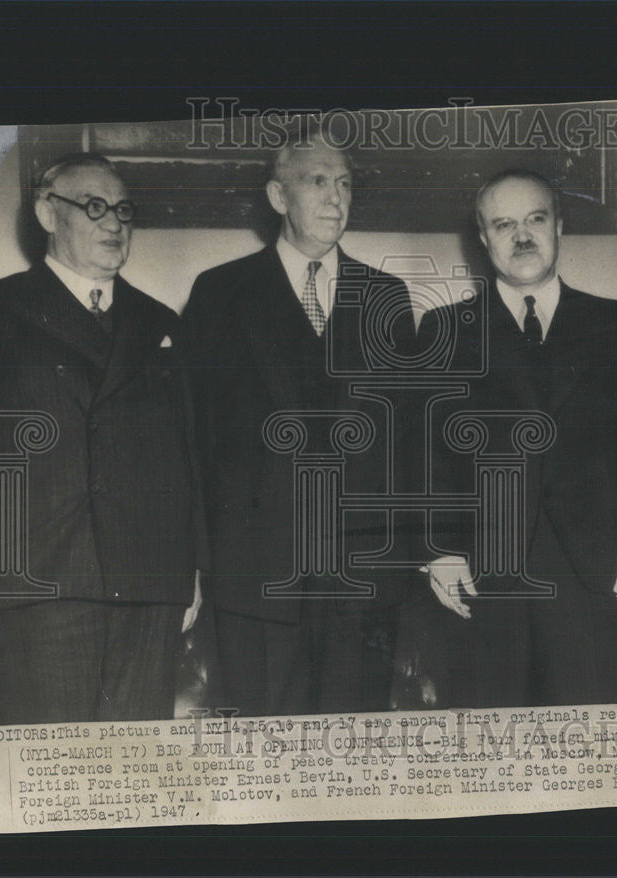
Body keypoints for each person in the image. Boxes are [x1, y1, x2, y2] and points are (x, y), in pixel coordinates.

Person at [0, 152, 205, 724]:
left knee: (136, 777)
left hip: (149, 585)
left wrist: (191, 573)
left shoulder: (161, 322)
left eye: (123, 210)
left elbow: (188, 458)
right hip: (42, 584)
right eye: (93, 207)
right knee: (49, 776)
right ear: (47, 211)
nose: (113, 224)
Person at [415, 169, 617, 707]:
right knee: (489, 749)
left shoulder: (614, 323)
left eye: (535, 219)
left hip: (592, 573)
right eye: (503, 224)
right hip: (484, 575)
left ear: (560, 226)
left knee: (591, 752)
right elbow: (426, 452)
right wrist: (439, 551)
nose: (522, 235)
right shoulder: (444, 330)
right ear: (483, 239)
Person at [183, 129, 415, 717]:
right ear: (277, 196)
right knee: (263, 763)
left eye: (345, 184)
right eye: (317, 181)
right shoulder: (218, 294)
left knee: (354, 765)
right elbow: (193, 439)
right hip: (254, 579)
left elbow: (407, 444)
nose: (336, 198)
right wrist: (196, 563)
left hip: (362, 584)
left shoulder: (386, 297)